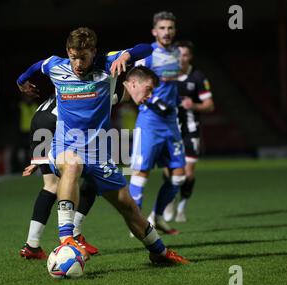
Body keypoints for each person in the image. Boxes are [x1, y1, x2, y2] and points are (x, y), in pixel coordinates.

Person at [17, 27, 188, 265]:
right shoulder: (56, 66)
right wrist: (21, 82)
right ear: (68, 52)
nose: (77, 63)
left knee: (128, 207)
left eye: (83, 57)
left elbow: (147, 48)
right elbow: (34, 68)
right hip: (64, 145)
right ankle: (66, 238)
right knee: (72, 164)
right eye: (73, 57)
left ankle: (159, 252)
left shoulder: (107, 64)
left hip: (99, 154)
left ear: (93, 52)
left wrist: (126, 56)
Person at [19, 95, 99, 259]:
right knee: (95, 175)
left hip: (39, 118)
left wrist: (40, 160)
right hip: (60, 121)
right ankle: (74, 234)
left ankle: (32, 245)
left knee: (51, 186)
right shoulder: (102, 83)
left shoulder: (65, 77)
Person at [129, 11, 185, 235]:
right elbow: (134, 83)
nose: (167, 32)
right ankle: (135, 222)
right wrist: (153, 100)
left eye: (170, 28)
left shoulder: (177, 54)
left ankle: (157, 217)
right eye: (162, 28)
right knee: (141, 172)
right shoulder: (148, 55)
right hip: (149, 122)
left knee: (179, 175)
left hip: (171, 123)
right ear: (154, 31)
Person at [163, 40, 215, 222]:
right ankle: (169, 200)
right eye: (178, 54)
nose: (181, 58)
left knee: (188, 173)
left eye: (185, 55)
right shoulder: (166, 75)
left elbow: (209, 105)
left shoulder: (198, 77)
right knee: (169, 171)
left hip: (191, 131)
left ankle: (182, 206)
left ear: (190, 57)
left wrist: (194, 105)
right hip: (169, 131)